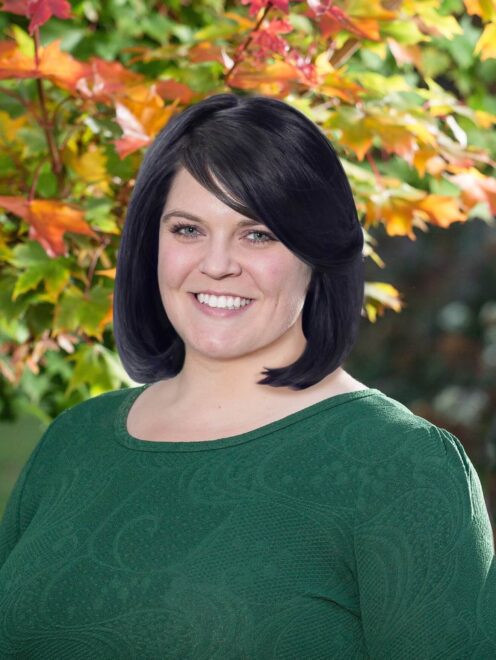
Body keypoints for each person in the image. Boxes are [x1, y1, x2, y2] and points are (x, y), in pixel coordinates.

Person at [0, 91, 494, 658]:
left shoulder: (400, 466)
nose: (216, 264)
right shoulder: (74, 440)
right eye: (187, 229)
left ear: (317, 253)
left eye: (257, 234)